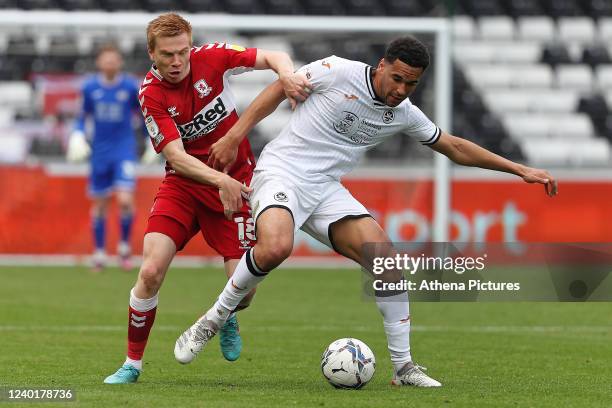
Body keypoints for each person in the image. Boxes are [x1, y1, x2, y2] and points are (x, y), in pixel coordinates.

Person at [173, 36, 559, 387]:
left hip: (325, 189)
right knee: (276, 247)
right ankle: (213, 320)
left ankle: (404, 367)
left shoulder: (405, 112)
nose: (401, 90)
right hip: (281, 173)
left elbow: (454, 146)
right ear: (382, 65)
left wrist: (520, 169)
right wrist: (234, 135)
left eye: (411, 84)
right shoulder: (336, 70)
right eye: (397, 78)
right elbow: (278, 88)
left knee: (387, 259)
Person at [102, 13, 310, 384]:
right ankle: (131, 364)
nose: (178, 61)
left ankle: (226, 314)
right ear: (152, 53)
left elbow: (273, 55)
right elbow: (176, 157)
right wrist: (219, 180)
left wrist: (288, 75)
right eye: (168, 55)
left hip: (238, 183)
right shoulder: (150, 93)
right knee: (149, 271)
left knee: (245, 294)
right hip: (184, 186)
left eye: (183, 51)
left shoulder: (212, 57)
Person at [67, 44, 153, 272]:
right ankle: (99, 253)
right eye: (106, 60)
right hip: (100, 152)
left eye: (114, 60)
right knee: (100, 203)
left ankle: (124, 248)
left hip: (124, 150)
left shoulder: (129, 86)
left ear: (119, 63)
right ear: (99, 63)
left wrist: (149, 140)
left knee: (125, 200)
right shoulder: (89, 88)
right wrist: (77, 134)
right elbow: (81, 116)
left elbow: (143, 114)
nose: (110, 64)